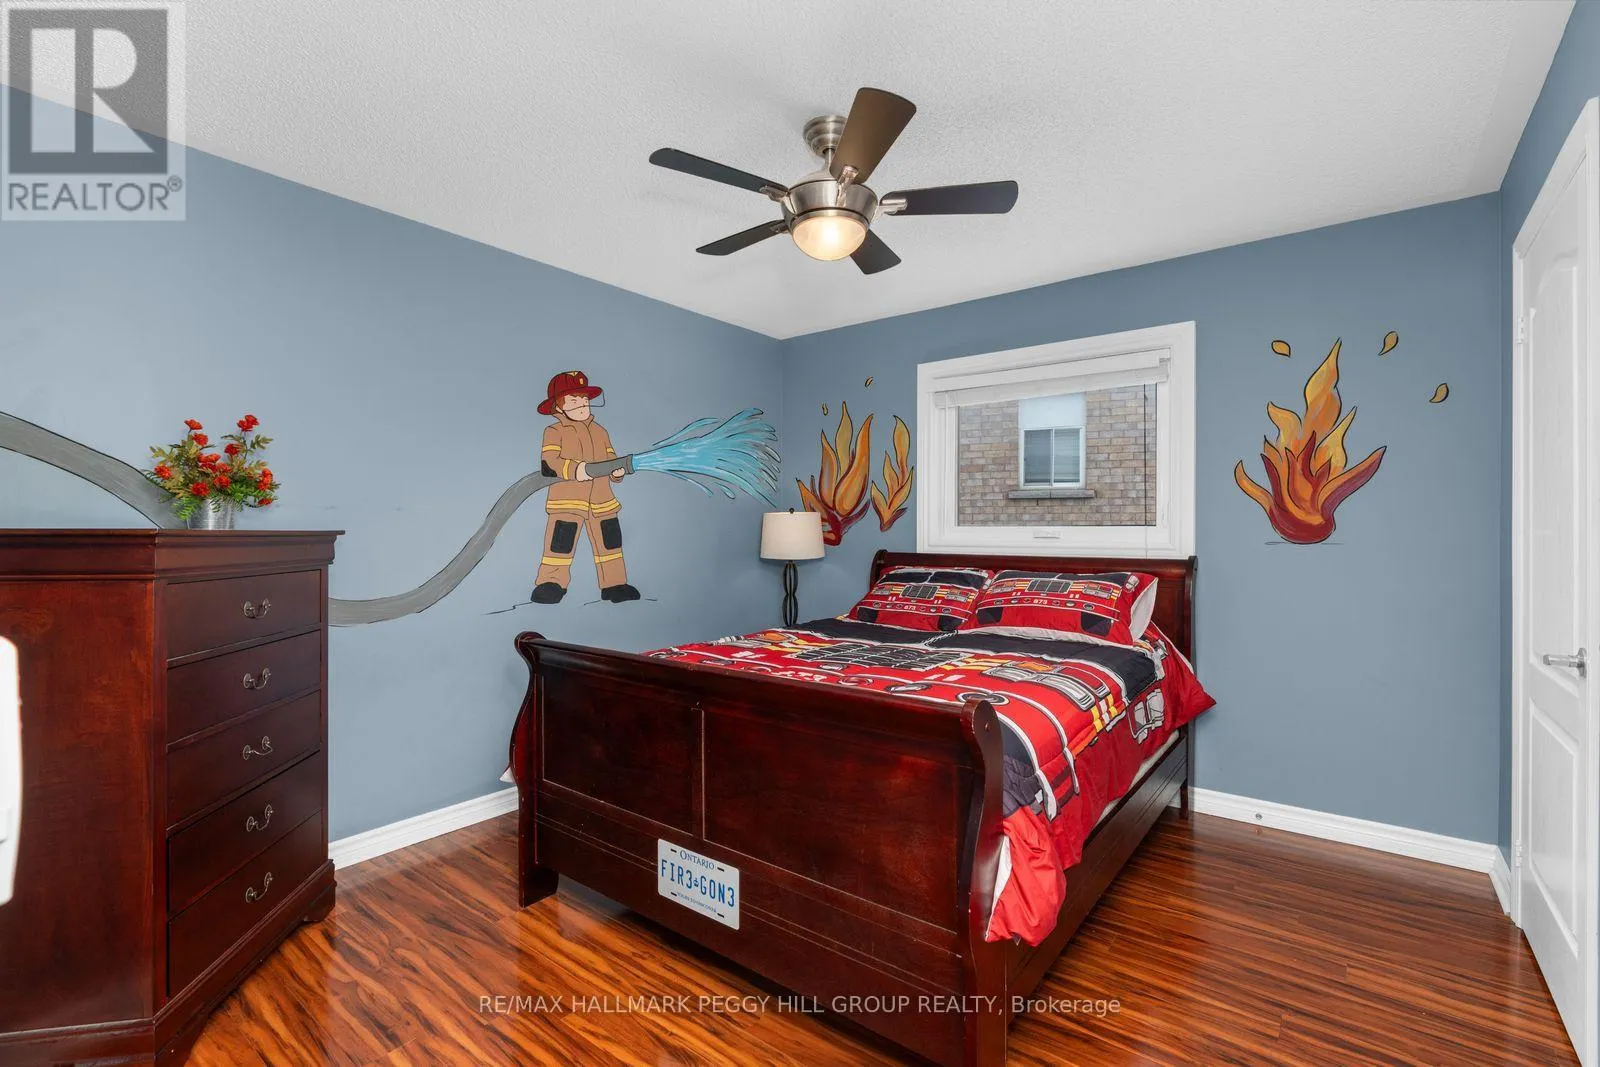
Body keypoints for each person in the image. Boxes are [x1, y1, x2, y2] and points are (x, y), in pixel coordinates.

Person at [531, 370, 640, 604]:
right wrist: (577, 470)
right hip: (568, 502)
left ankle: (615, 585)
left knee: (610, 545)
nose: (582, 404)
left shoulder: (600, 431)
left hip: (603, 502)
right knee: (560, 546)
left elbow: (611, 458)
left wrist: (617, 472)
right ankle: (551, 584)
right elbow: (550, 463)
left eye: (584, 399)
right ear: (558, 407)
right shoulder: (554, 432)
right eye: (573, 400)